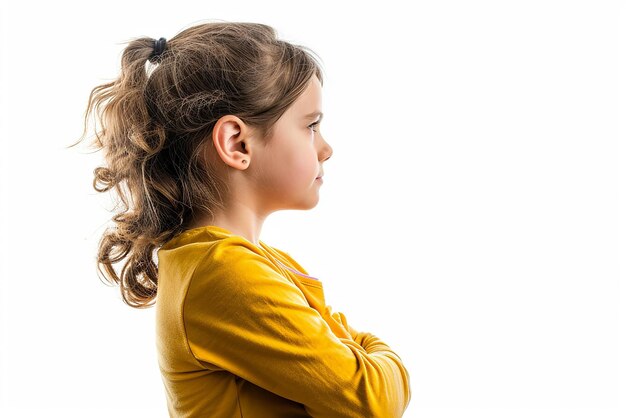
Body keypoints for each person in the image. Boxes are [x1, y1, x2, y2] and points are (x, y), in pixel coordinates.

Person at [71, 20, 411, 417]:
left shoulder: (253, 262)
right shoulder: (224, 273)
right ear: (237, 143)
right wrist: (380, 355)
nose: (326, 148)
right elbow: (372, 399)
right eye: (311, 127)